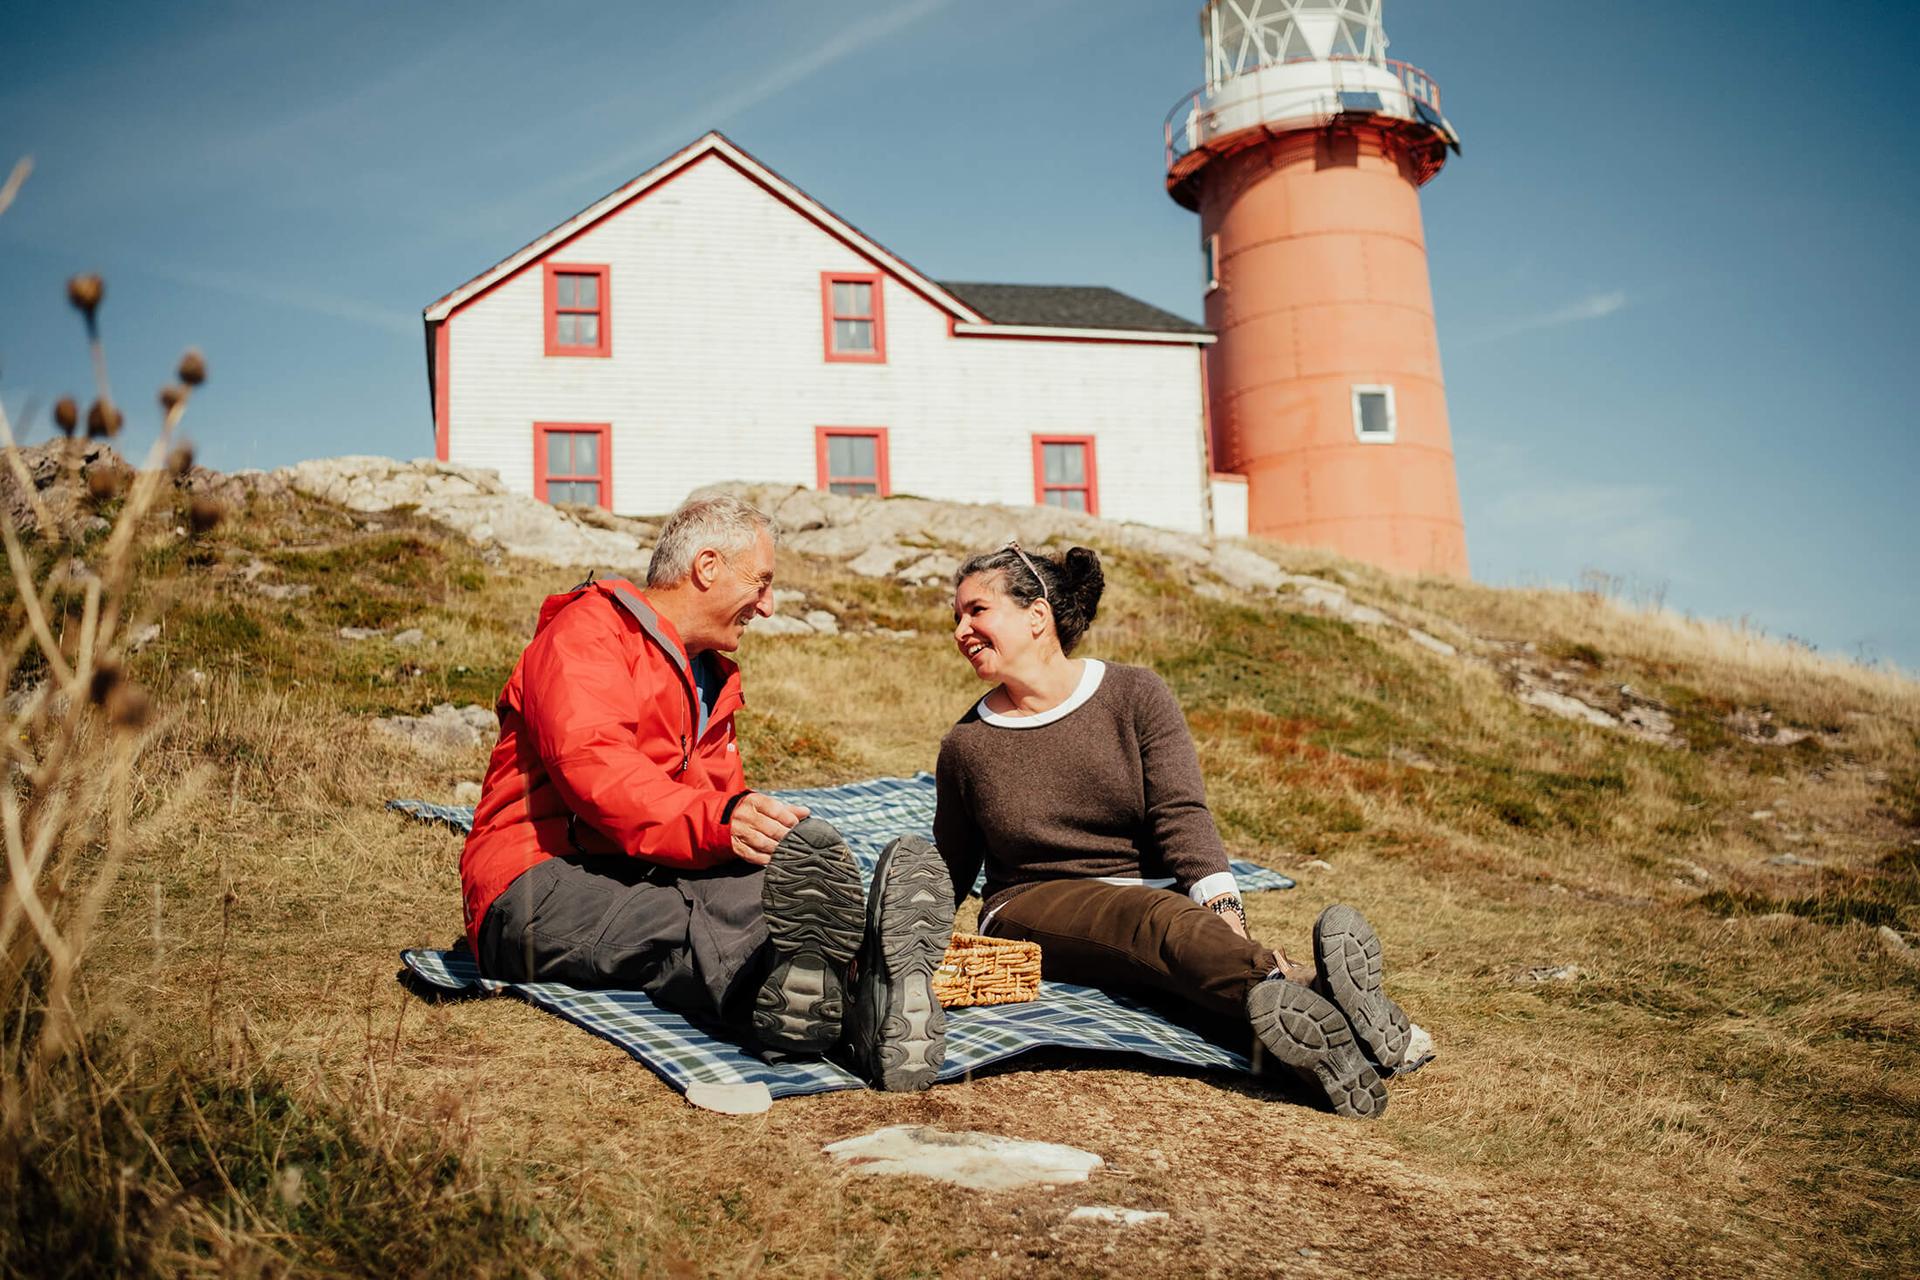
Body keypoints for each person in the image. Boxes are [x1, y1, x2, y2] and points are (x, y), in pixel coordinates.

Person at [458, 495, 952, 1090]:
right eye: (762, 582)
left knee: (756, 892)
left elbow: (711, 815)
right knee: (684, 918)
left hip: (636, 866)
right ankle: (851, 1011)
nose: (767, 606)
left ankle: (850, 989)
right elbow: (597, 773)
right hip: (534, 882)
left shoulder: (711, 678)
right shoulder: (586, 633)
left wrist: (765, 839)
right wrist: (724, 819)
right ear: (708, 566)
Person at [931, 542, 1415, 1118]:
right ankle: (1311, 991)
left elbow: (1181, 813)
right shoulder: (968, 745)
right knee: (1158, 923)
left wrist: (1227, 915)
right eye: (956, 617)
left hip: (1156, 898)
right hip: (1032, 907)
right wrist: (891, 953)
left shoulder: (1134, 695)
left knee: (1184, 976)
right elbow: (947, 869)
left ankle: (1324, 1051)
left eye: (976, 611)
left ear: (1037, 616)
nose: (960, 630)